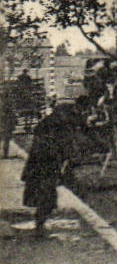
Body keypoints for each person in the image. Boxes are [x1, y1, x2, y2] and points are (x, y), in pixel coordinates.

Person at [21, 98, 75, 238]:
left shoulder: (49, 123)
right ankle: (39, 225)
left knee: (45, 195)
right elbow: (64, 145)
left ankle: (40, 223)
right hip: (46, 164)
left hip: (42, 164)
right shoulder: (59, 125)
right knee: (47, 196)